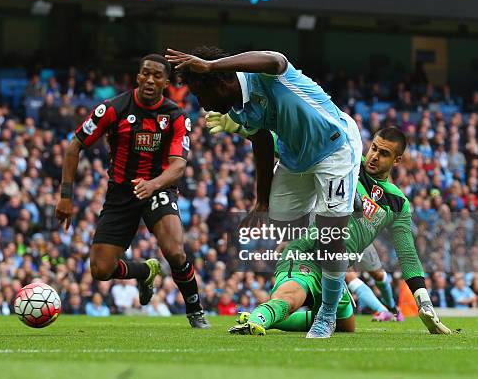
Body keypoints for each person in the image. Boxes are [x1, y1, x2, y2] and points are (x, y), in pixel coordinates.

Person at [167, 46, 362, 338]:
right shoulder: (239, 108)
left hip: (333, 148)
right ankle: (341, 212)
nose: (203, 104)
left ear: (220, 82)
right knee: (281, 220)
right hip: (295, 159)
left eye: (201, 94)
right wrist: (261, 200)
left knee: (330, 239)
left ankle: (328, 315)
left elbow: (276, 58)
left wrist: (210, 65)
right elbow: (261, 144)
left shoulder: (264, 75)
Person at [225, 127, 451, 335]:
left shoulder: (398, 203)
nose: (374, 156)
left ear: (397, 160)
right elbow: (296, 147)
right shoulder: (346, 160)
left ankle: (267, 317)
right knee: (291, 296)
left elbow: (408, 256)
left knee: (346, 326)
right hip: (308, 252)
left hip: (336, 271)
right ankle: (259, 319)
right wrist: (244, 128)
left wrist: (424, 303)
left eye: (384, 153)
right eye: (373, 148)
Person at [55, 54, 210, 328]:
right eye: (145, 74)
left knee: (175, 251)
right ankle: (144, 270)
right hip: (120, 195)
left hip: (158, 189)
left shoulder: (175, 116)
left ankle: (195, 310)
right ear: (138, 77)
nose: (150, 80)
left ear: (166, 82)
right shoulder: (113, 109)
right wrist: (65, 196)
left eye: (157, 76)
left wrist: (153, 184)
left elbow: (178, 166)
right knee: (101, 270)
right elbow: (74, 146)